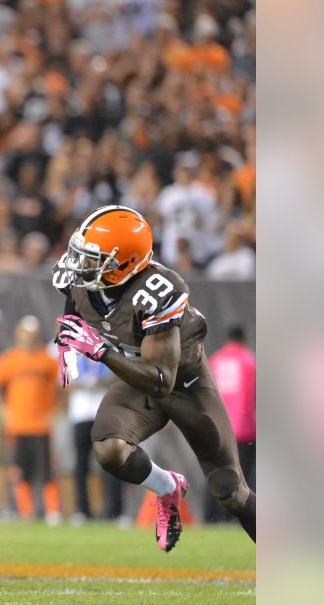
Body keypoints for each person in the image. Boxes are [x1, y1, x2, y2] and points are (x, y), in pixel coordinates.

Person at [52, 205, 256, 551]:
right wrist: (68, 350)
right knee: (109, 449)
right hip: (134, 376)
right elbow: (74, 310)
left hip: (183, 381)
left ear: (126, 263)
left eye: (93, 258)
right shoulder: (80, 280)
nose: (80, 265)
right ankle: (166, 488)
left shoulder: (158, 291)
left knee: (230, 490)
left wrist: (102, 352)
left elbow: (161, 379)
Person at [0, 316, 62, 522]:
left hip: (41, 426)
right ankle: (26, 510)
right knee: (20, 471)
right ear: (18, 334)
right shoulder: (10, 359)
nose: (28, 338)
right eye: (25, 334)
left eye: (32, 335)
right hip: (17, 425)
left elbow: (64, 387)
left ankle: (52, 511)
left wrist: (55, 412)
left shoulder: (47, 360)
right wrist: (1, 411)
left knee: (46, 471)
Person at [65, 352, 124, 524]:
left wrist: (102, 381)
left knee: (111, 462)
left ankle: (115, 511)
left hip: (104, 411)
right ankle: (82, 510)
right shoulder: (71, 354)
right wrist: (82, 384)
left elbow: (119, 377)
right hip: (81, 414)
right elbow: (65, 382)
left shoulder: (108, 351)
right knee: (81, 464)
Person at [207, 325, 256, 522]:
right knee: (240, 475)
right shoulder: (249, 360)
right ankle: (235, 518)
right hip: (243, 428)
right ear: (243, 340)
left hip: (216, 427)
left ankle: (212, 517)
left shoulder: (214, 360)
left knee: (214, 472)